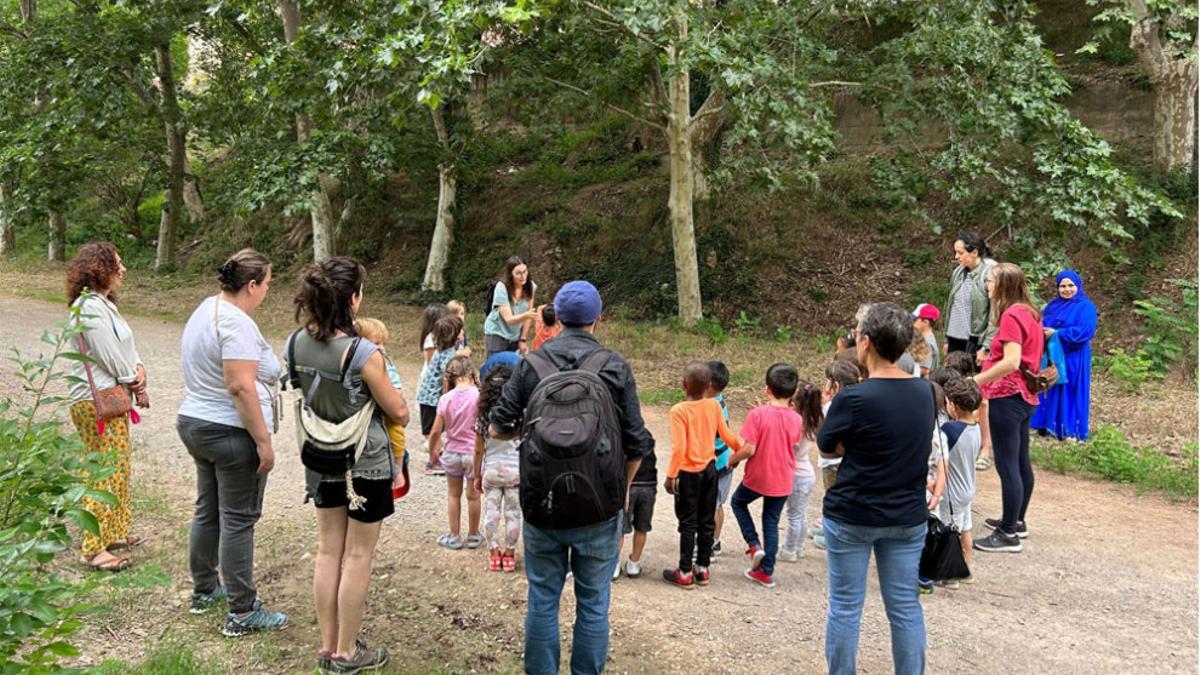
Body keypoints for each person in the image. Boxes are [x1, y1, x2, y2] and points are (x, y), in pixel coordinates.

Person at [489, 280, 653, 675]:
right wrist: (624, 490)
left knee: (543, 599)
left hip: (542, 504)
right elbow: (637, 443)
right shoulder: (614, 366)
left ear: (557, 318)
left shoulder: (532, 364)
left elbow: (497, 426)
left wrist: (530, 431)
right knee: (594, 602)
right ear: (598, 318)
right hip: (600, 507)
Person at [289, 257, 410, 673]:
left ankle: (327, 646)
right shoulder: (363, 353)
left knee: (327, 551)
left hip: (320, 459)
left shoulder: (295, 343)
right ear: (353, 299)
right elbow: (399, 411)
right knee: (358, 556)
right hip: (365, 465)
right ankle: (347, 652)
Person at [817, 302, 933, 675]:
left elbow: (826, 444)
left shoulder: (854, 398)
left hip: (852, 513)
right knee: (904, 606)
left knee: (846, 605)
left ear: (864, 342)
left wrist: (854, 445)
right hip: (906, 516)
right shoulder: (926, 392)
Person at [177, 249, 283, 633]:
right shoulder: (236, 323)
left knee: (209, 509)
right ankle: (242, 611)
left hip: (196, 420)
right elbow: (239, 386)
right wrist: (263, 441)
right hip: (228, 430)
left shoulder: (206, 309)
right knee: (238, 519)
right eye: (268, 284)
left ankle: (205, 589)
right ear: (251, 285)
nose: (268, 291)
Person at [66, 242, 148, 572]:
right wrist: (134, 378)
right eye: (117, 263)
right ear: (99, 268)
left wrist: (139, 369)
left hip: (110, 395)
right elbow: (108, 355)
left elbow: (125, 346)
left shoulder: (103, 304)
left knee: (118, 468)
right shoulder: (88, 308)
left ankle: (112, 531)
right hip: (94, 399)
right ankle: (91, 549)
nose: (123, 269)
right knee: (104, 471)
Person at [973, 263, 1044, 554]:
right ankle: (1016, 520)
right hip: (1025, 397)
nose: (987, 286)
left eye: (990, 281)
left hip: (1008, 394)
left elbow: (1012, 361)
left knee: (1007, 465)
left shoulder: (1013, 314)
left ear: (1002, 285)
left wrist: (975, 380)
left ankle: (1007, 534)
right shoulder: (1030, 311)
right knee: (1020, 461)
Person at [662, 361, 742, 589]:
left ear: (683, 385)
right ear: (708, 385)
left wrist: (670, 476)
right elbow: (726, 435)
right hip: (709, 470)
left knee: (687, 523)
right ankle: (703, 569)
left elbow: (679, 448)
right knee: (706, 520)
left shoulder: (678, 410)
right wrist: (740, 448)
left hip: (688, 473)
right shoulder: (714, 406)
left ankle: (685, 571)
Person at [728, 363, 803, 588]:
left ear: (767, 389)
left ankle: (754, 545)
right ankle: (766, 571)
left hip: (758, 475)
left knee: (738, 502)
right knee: (771, 521)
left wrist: (732, 460)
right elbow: (792, 441)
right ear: (794, 391)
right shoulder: (796, 419)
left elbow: (749, 449)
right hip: (783, 478)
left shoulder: (757, 414)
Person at [1031, 270, 1097, 442]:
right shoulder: (1053, 306)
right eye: (1062, 286)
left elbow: (1086, 331)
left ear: (1078, 286)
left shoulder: (1085, 306)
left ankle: (1069, 429)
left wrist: (1058, 333)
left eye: (1070, 285)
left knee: (1070, 389)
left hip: (1074, 355)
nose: (1067, 289)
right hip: (1054, 354)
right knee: (1051, 384)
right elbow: (1042, 324)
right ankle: (1048, 425)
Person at [429, 355, 483, 550]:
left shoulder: (445, 399)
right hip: (472, 454)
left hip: (451, 453)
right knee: (474, 495)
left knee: (453, 495)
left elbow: (435, 431)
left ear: (450, 376)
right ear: (471, 373)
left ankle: (454, 536)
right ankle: (474, 536)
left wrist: (432, 452)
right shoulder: (478, 396)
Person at [472, 365, 521, 572]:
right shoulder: (518, 414)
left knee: (491, 513)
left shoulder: (483, 417)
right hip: (515, 472)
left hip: (491, 471)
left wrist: (476, 475)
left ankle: (494, 554)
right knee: (513, 513)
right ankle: (509, 554)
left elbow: (477, 450)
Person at [936, 376, 983, 588]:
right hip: (967, 489)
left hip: (951, 493)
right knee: (965, 529)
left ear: (953, 406)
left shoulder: (950, 431)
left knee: (948, 531)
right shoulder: (976, 428)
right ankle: (967, 567)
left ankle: (950, 575)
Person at [811, 359, 863, 552]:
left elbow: (821, 433)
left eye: (827, 381)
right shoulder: (857, 403)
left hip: (832, 462)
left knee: (833, 498)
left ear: (836, 386)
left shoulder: (833, 407)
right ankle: (828, 528)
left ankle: (832, 535)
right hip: (844, 461)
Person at [354, 318, 409, 498]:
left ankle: (398, 469)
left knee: (397, 436)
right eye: (376, 343)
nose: (382, 348)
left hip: (388, 411)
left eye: (383, 343)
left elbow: (397, 393)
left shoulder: (385, 363)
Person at [779, 380, 824, 562]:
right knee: (801, 513)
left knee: (793, 516)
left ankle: (789, 550)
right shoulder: (812, 421)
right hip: (807, 474)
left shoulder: (797, 424)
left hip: (796, 475)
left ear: (795, 403)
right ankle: (798, 546)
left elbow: (786, 446)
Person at [417, 314, 465, 472]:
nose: (463, 332)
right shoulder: (448, 355)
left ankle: (436, 457)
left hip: (427, 397)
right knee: (434, 432)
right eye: (461, 330)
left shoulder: (444, 350)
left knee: (434, 431)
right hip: (432, 399)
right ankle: (433, 462)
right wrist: (448, 397)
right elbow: (446, 378)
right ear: (455, 335)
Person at [615, 428, 656, 580]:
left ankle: (614, 565)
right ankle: (634, 563)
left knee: (620, 529)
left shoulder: (620, 435)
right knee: (642, 527)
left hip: (628, 486)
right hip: (648, 485)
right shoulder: (646, 434)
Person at [483, 256, 539, 358]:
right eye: (518, 273)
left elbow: (528, 319)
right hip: (497, 332)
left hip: (515, 335)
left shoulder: (530, 287)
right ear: (511, 274)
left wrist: (523, 339)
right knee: (496, 367)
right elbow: (509, 319)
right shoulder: (502, 287)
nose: (523, 276)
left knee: (513, 367)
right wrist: (527, 315)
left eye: (525, 271)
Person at [418, 303, 451, 474]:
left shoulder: (442, 340)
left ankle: (438, 455)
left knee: (438, 426)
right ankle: (432, 462)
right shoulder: (431, 339)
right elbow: (433, 365)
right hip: (430, 390)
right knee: (433, 427)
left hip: (435, 390)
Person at [706, 360, 733, 556]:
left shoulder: (709, 407)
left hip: (715, 464)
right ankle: (715, 540)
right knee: (718, 505)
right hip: (725, 460)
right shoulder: (719, 399)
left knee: (712, 506)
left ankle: (710, 544)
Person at [911, 303, 941, 376]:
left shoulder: (927, 343)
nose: (912, 322)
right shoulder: (924, 338)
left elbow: (924, 370)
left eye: (915, 320)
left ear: (925, 322)